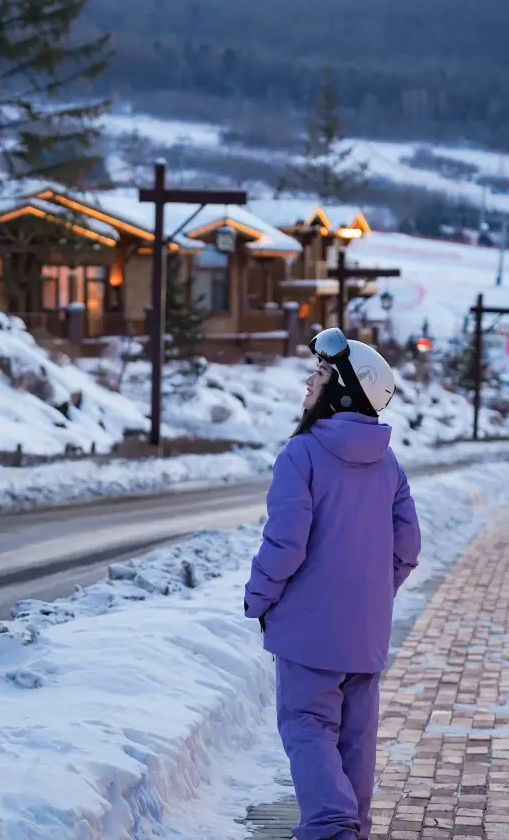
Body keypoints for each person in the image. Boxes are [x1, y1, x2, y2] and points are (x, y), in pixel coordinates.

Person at [244, 328, 421, 840]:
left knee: (307, 727)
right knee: (356, 741)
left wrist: (260, 597)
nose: (308, 380)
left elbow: (285, 542)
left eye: (319, 374)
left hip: (307, 630)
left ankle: (329, 827)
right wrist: (370, 592)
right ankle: (352, 828)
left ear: (341, 390)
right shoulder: (388, 464)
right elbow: (407, 548)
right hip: (365, 633)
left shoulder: (300, 455)